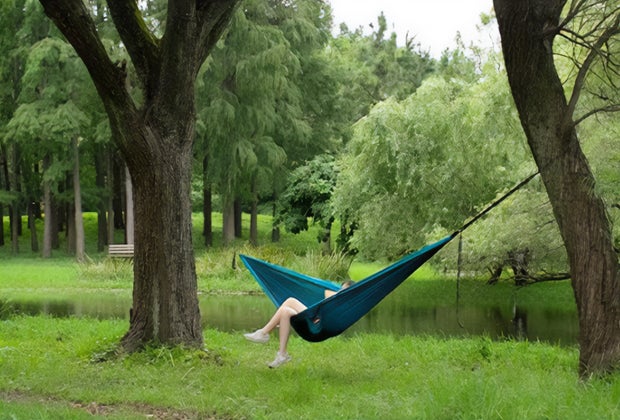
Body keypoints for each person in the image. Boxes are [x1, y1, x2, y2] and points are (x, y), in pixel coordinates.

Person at [244, 280, 355, 368]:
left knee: (291, 301)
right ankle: (282, 354)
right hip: (312, 321)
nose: (340, 291)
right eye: (340, 289)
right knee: (285, 311)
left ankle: (264, 333)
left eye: (343, 289)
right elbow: (327, 293)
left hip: (317, 326)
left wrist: (342, 293)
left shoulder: (346, 304)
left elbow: (328, 294)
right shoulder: (338, 300)